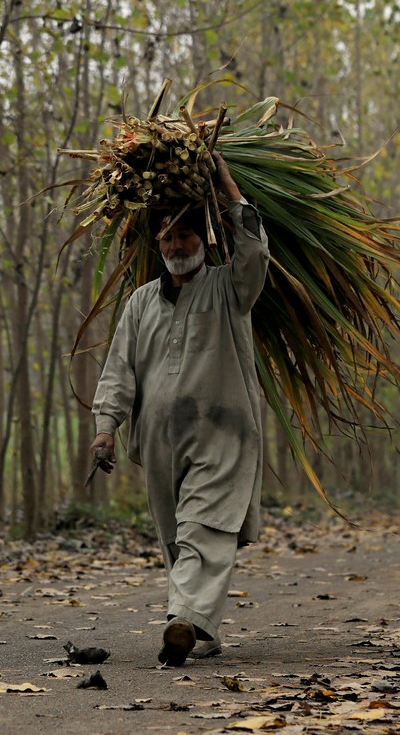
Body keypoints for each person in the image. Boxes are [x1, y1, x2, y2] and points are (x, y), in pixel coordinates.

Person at [88, 152, 269, 666]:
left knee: (202, 529)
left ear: (202, 240)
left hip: (223, 439)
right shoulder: (141, 302)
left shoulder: (229, 288)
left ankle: (183, 622)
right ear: (157, 245)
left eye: (184, 236)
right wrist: (106, 429)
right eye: (166, 238)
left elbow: (254, 255)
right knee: (175, 538)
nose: (175, 246)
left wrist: (230, 191)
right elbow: (119, 371)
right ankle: (201, 629)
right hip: (161, 445)